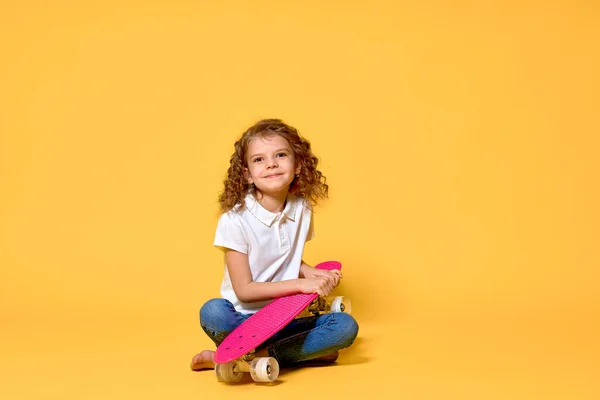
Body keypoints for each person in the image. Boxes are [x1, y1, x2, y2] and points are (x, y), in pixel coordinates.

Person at [190, 118, 358, 371]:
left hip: (284, 316)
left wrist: (308, 270)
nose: (271, 164)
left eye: (280, 155)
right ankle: (292, 351)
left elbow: (282, 257)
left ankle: (243, 356)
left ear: (298, 165)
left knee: (345, 326)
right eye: (259, 159)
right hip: (242, 320)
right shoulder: (234, 220)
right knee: (213, 311)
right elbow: (245, 290)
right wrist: (302, 283)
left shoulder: (302, 208)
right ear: (246, 174)